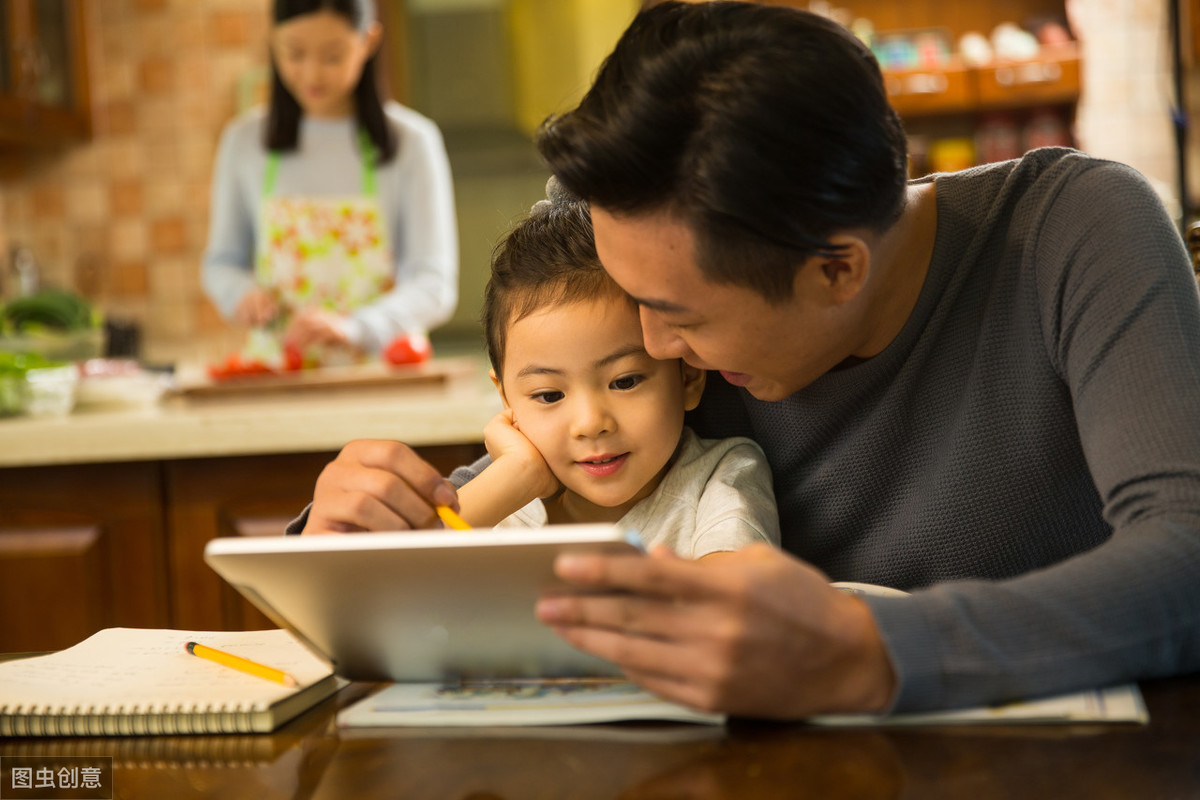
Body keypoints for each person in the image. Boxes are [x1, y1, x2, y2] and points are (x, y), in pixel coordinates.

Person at [292, 2, 1200, 718]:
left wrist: (864, 649)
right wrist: (346, 544)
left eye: (675, 317)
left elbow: (1187, 555)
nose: (649, 349)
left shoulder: (1075, 233)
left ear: (834, 269)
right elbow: (505, 501)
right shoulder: (657, 249)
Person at [445, 180, 779, 558]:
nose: (591, 423)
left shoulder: (720, 476)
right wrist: (517, 474)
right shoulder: (503, 493)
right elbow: (400, 571)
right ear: (506, 398)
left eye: (625, 382)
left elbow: (733, 595)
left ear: (688, 377)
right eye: (549, 395)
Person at [202, 0, 458, 366]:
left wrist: (357, 328)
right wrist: (240, 294)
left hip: (380, 374)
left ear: (368, 42)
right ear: (273, 41)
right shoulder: (243, 142)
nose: (311, 74)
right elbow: (221, 263)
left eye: (332, 56)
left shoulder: (412, 142)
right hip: (276, 374)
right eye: (295, 53)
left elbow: (434, 284)